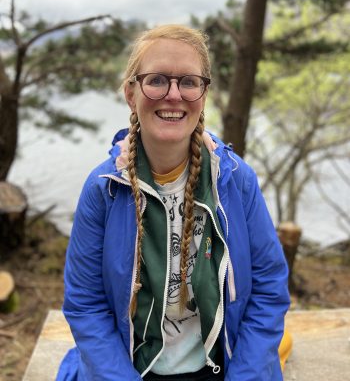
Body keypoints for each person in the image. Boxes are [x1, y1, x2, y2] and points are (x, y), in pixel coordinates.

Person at [56, 24, 291, 381]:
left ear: (204, 94)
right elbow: (86, 304)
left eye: (188, 82)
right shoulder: (104, 190)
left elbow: (269, 287)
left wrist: (245, 375)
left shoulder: (234, 180)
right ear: (130, 93)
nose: (173, 95)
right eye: (156, 80)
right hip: (130, 371)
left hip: (223, 368)